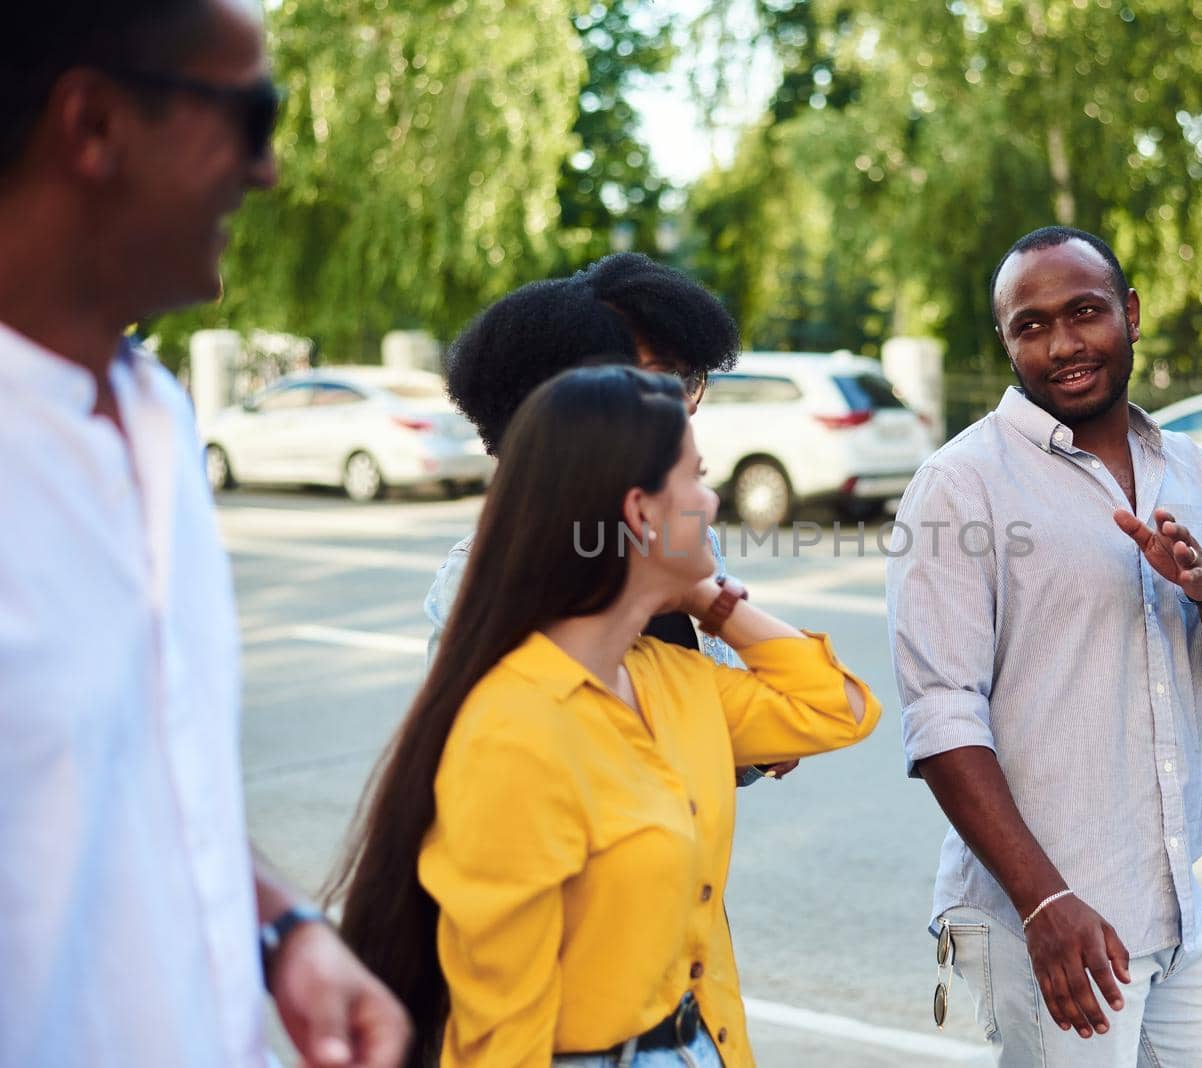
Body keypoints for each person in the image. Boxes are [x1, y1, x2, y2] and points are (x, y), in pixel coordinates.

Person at [0, 2, 411, 1066]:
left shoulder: (159, 418)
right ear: (93, 123)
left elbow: (144, 775)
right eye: (252, 115)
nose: (268, 172)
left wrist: (280, 927)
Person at [331, 366, 882, 1067]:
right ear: (642, 512)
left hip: (700, 1046)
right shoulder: (515, 727)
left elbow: (839, 708)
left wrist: (711, 601)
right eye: (698, 478)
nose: (714, 503)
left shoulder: (671, 679)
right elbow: (501, 1032)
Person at [885, 226, 1202, 1067]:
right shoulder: (961, 485)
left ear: (1130, 314)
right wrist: (1044, 906)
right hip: (1062, 923)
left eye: (1084, 312)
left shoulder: (1187, 468)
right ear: (1004, 342)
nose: (1063, 345)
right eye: (1030, 326)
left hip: (1179, 911)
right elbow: (942, 721)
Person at [423, 254, 798, 782]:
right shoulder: (484, 574)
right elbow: (484, 779)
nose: (681, 405)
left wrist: (751, 741)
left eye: (686, 378)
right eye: (654, 380)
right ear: (562, 401)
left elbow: (746, 728)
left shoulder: (684, 536)